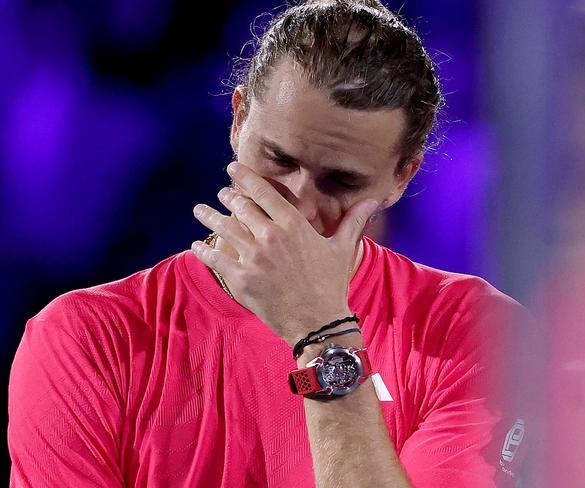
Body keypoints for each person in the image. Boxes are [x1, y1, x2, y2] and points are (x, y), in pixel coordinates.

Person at [8, 1, 541, 486]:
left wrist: (320, 333)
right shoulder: (84, 340)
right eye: (278, 160)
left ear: (402, 176)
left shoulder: (480, 335)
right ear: (239, 119)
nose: (296, 205)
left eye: (340, 182)